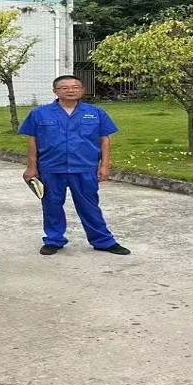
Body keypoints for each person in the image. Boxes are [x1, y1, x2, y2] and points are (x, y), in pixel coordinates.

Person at [18, 74, 130, 256]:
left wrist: (105, 166)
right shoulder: (39, 113)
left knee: (90, 206)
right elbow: (33, 141)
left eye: (75, 87)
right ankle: (54, 240)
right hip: (51, 168)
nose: (70, 90)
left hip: (84, 168)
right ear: (55, 91)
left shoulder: (96, 113)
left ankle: (103, 241)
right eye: (65, 88)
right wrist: (31, 167)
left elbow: (105, 140)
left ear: (82, 90)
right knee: (51, 205)